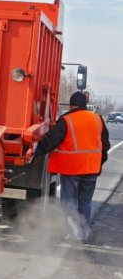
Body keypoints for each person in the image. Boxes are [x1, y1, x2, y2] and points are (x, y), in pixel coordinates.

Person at [34, 91, 110, 243]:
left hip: (72, 169)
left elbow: (51, 142)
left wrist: (36, 151)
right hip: (91, 169)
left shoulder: (66, 120)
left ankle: (74, 235)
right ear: (85, 104)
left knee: (69, 201)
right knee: (85, 202)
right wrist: (98, 164)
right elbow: (105, 145)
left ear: (70, 105)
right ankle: (85, 234)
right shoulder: (97, 119)